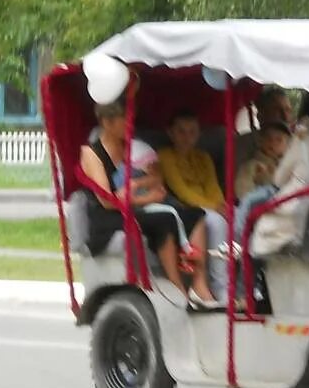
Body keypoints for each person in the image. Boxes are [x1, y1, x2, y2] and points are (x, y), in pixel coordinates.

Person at [79, 102, 220, 307]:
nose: (130, 125)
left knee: (195, 214)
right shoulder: (92, 153)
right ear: (107, 122)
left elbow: (156, 181)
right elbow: (108, 201)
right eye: (124, 120)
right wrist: (148, 198)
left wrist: (137, 183)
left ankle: (199, 284)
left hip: (134, 206)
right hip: (107, 216)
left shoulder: (131, 148)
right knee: (165, 218)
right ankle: (177, 285)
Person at [157, 110, 230, 298]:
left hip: (209, 205)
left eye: (192, 132)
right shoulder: (165, 156)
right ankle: (219, 286)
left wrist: (222, 205)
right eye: (181, 131)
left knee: (238, 218)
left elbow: (212, 186)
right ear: (171, 133)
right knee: (217, 221)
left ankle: (240, 287)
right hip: (183, 207)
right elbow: (182, 191)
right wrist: (216, 208)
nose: (187, 137)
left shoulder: (203, 157)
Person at [233, 119, 292, 239]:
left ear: (287, 145)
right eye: (268, 139)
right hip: (261, 206)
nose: (272, 143)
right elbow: (242, 190)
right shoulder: (253, 165)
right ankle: (240, 236)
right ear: (261, 141)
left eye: (279, 140)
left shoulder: (289, 165)